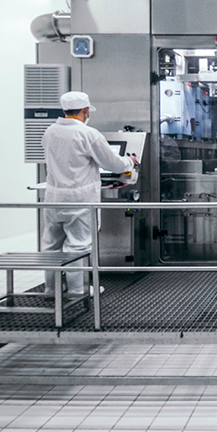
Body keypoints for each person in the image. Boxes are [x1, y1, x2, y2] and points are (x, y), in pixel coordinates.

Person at [40, 91, 137, 297]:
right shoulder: (88, 134)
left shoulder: (50, 132)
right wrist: (130, 162)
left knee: (51, 245)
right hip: (79, 199)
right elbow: (112, 163)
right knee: (78, 245)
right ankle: (78, 290)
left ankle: (51, 289)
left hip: (54, 197)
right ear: (85, 110)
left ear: (65, 111)